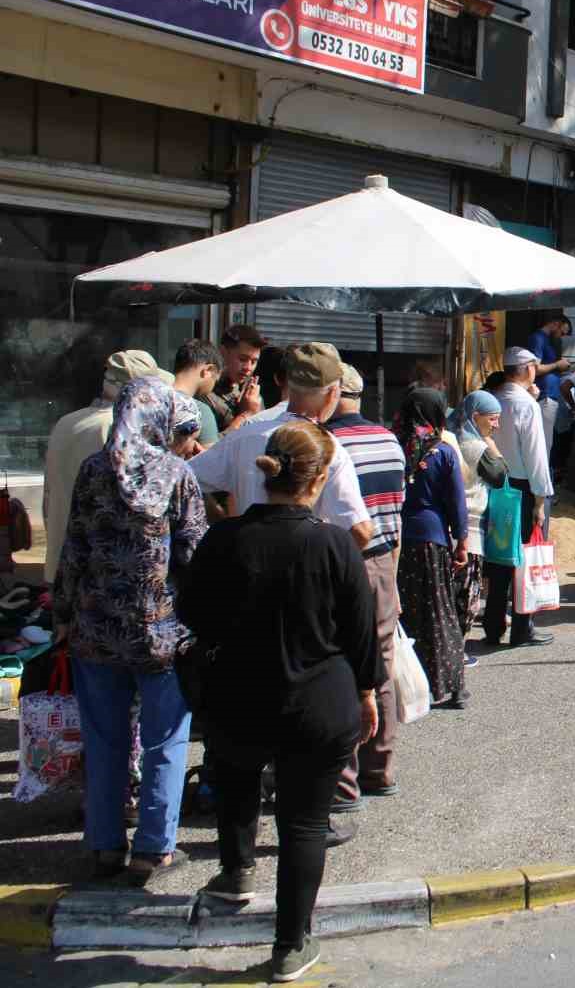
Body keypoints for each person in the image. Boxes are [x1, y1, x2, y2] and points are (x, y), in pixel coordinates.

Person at [177, 420, 379, 983]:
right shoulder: (335, 544)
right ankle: (291, 945)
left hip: (236, 694)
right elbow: (361, 634)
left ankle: (236, 871)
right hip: (320, 701)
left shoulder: (225, 539)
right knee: (304, 822)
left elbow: (192, 613)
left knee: (236, 779)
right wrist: (367, 693)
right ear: (318, 480)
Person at [54, 377, 207, 885]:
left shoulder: (92, 471)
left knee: (105, 740)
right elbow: (193, 553)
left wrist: (62, 614)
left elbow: (73, 549)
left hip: (96, 630)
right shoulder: (177, 474)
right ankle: (153, 849)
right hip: (161, 634)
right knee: (165, 739)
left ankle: (103, 845)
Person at [189, 344, 374, 549]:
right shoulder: (330, 449)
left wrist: (221, 522)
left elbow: (185, 479)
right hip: (300, 570)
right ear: (333, 393)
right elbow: (360, 532)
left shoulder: (243, 436)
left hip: (245, 565)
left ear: (288, 385)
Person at [324, 365, 407, 810]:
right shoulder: (388, 439)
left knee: (336, 661)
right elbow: (398, 505)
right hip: (382, 559)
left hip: (336, 559)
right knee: (382, 660)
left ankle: (343, 775)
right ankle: (381, 767)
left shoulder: (324, 443)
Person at [43, 349, 167, 581]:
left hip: (61, 563)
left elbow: (49, 496)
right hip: (97, 570)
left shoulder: (66, 422)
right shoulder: (117, 430)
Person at [392, 389, 469, 708]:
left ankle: (405, 684)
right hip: (432, 540)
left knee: (404, 611)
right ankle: (451, 686)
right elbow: (456, 503)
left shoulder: (393, 444)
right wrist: (461, 541)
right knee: (440, 611)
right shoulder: (443, 451)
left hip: (396, 540)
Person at [486, 348, 555, 647]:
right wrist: (541, 499)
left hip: (493, 482)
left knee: (498, 556)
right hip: (522, 486)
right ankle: (522, 629)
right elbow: (536, 456)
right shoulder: (526, 405)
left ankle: (492, 624)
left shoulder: (494, 399)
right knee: (522, 559)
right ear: (527, 369)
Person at [451, 391, 508, 651]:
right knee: (465, 595)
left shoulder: (452, 436)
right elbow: (500, 474)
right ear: (476, 416)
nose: (496, 425)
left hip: (452, 524)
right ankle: (456, 652)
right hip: (470, 528)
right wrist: (488, 441)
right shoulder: (474, 445)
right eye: (493, 419)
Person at [202, 324, 268, 436]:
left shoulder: (249, 392)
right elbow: (209, 448)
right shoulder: (205, 392)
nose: (248, 367)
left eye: (254, 361)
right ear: (223, 352)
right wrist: (245, 414)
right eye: (243, 359)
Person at [528, 316, 574, 459]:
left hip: (550, 395)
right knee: (545, 442)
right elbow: (535, 368)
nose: (561, 337)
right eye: (562, 332)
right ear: (556, 324)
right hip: (544, 395)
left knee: (547, 440)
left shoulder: (545, 339)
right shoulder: (538, 338)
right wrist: (557, 365)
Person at [171, 339, 223, 448]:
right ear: (208, 370)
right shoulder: (201, 410)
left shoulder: (150, 396)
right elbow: (211, 459)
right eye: (215, 380)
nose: (213, 386)